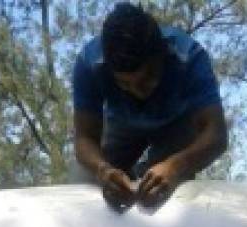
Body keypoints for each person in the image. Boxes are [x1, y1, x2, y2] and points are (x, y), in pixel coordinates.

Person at [73, 2, 227, 211]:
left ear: (162, 54)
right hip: (120, 124)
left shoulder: (189, 57)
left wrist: (176, 166)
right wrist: (102, 170)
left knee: (163, 194)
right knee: (83, 181)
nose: (138, 91)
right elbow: (84, 138)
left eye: (148, 78)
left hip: (175, 127)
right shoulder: (88, 64)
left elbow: (216, 134)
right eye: (125, 84)